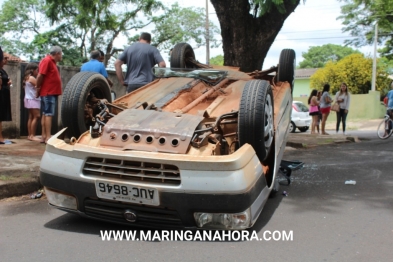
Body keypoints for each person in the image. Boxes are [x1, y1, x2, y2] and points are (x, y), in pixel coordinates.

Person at [36, 46, 63, 144]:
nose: (61, 56)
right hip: (48, 92)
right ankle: (48, 137)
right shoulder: (47, 60)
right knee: (48, 114)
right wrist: (37, 87)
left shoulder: (52, 62)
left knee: (45, 114)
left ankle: (44, 136)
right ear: (57, 53)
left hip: (50, 92)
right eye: (61, 54)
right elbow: (40, 75)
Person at [23, 62, 41, 141]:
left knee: (31, 117)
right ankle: (32, 135)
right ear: (32, 70)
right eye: (37, 70)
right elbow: (39, 86)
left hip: (28, 99)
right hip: (33, 99)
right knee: (37, 116)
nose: (37, 71)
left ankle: (30, 135)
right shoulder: (32, 78)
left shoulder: (26, 77)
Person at [0, 55, 12, 144]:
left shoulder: (2, 70)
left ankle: (1, 137)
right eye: (3, 59)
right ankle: (0, 138)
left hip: (4, 94)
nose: (5, 61)